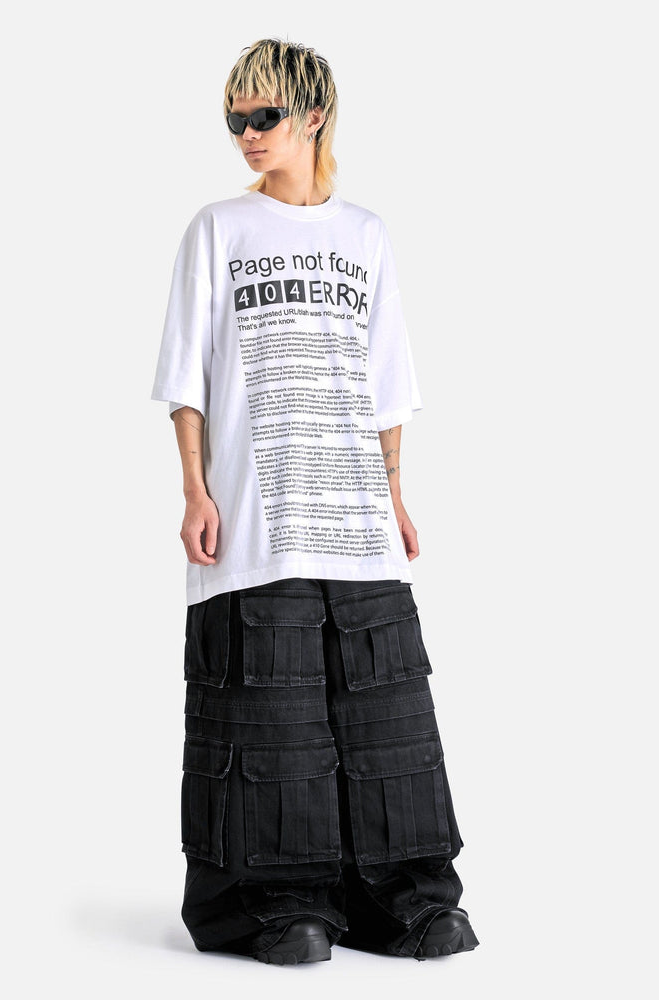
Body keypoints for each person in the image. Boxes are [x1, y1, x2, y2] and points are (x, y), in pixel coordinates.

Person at [151, 38, 479, 965]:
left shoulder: (365, 235)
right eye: (235, 119)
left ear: (313, 115)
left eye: (264, 116)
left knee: (386, 715)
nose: (246, 134)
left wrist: (396, 495)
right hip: (257, 513)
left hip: (354, 513)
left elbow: (385, 382)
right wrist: (194, 489)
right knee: (272, 714)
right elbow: (186, 378)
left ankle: (409, 899)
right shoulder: (218, 228)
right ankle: (280, 905)